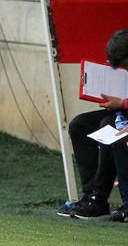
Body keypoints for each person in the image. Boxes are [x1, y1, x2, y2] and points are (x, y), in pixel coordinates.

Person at [58, 29, 128, 221]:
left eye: (124, 65)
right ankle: (92, 197)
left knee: (110, 126)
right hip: (122, 109)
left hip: (122, 109)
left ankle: (107, 199)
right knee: (79, 125)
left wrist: (121, 104)